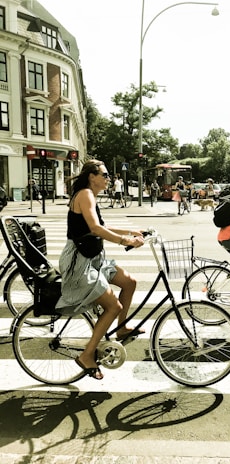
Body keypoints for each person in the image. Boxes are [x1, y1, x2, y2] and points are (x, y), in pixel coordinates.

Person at [56, 160, 145, 380]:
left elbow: (101, 226)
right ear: (91, 177)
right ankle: (87, 355)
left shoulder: (90, 196)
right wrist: (125, 240)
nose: (108, 178)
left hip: (94, 257)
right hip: (80, 261)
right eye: (104, 175)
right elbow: (95, 229)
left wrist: (131, 230)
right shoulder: (85, 194)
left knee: (129, 282)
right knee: (113, 306)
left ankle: (122, 328)